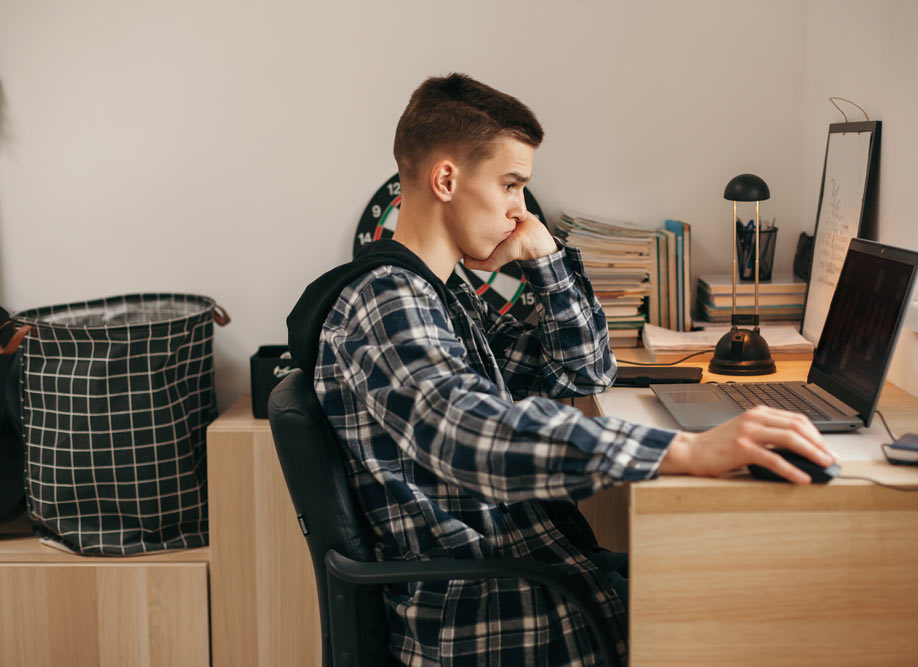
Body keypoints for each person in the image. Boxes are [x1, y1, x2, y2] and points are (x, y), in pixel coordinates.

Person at [286, 73, 835, 667]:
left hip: (536, 579)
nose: (519, 208)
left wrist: (546, 258)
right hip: (499, 614)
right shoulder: (387, 301)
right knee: (774, 619)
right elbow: (474, 437)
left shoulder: (443, 297)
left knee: (754, 595)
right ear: (446, 179)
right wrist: (683, 450)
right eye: (510, 185)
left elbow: (583, 371)